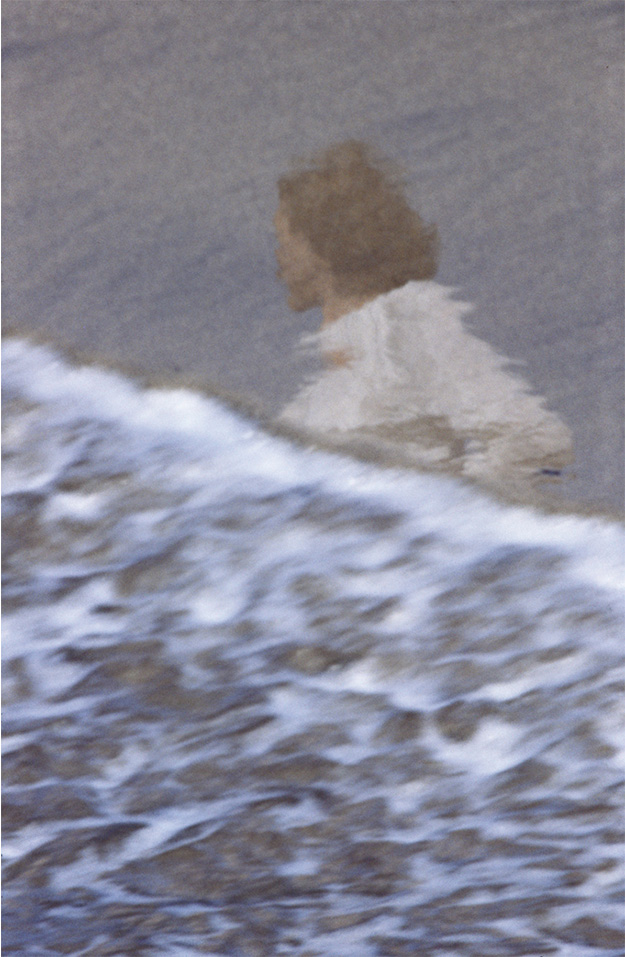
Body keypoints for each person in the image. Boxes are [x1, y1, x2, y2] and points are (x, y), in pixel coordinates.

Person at [275, 141, 573, 486]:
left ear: (322, 243)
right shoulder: (313, 402)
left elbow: (536, 439)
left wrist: (450, 507)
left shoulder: (410, 328)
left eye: (286, 242)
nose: (280, 259)